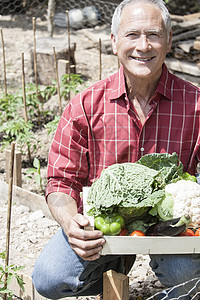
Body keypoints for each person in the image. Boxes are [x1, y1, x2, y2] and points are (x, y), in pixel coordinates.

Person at [32, 0, 200, 298]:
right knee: (50, 277)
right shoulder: (84, 106)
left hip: (171, 229)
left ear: (169, 40)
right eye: (132, 35)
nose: (143, 46)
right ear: (114, 42)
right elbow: (60, 181)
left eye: (154, 35)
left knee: (186, 275)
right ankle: (112, 264)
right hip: (104, 228)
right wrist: (73, 224)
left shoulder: (196, 105)